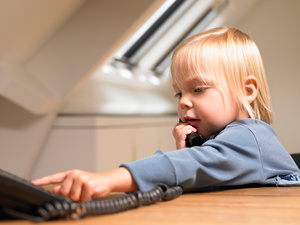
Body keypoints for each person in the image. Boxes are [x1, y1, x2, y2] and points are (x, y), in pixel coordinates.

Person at [32, 27, 300, 202]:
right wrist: (186, 151)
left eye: (198, 89)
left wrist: (107, 179)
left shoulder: (250, 137)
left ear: (247, 89)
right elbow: (200, 171)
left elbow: (190, 166)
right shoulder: (226, 141)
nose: (184, 102)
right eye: (178, 93)